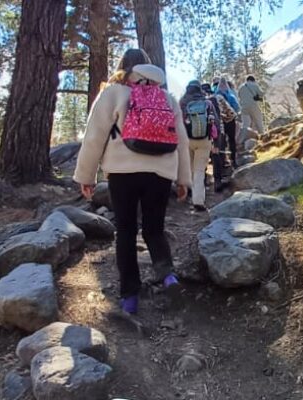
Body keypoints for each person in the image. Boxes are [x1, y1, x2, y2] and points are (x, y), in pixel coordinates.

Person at [73, 48, 192, 315]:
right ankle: (168, 275)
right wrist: (183, 179)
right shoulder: (167, 97)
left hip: (122, 173)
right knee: (154, 229)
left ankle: (130, 295)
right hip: (160, 173)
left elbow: (94, 136)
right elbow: (181, 142)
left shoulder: (113, 93)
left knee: (125, 231)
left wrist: (86, 175)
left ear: (123, 67)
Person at [179, 80, 218, 211]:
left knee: (190, 169)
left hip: (186, 140)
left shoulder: (182, 103)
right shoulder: (207, 103)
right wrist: (217, 142)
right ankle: (198, 200)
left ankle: (187, 194)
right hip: (204, 140)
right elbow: (216, 122)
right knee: (200, 171)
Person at [201, 82, 228, 192]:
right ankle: (217, 181)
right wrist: (217, 140)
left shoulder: (191, 102)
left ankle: (202, 182)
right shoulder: (212, 100)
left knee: (201, 159)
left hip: (198, 135)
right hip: (213, 134)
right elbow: (216, 120)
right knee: (216, 156)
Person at [215, 77, 240, 168]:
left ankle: (223, 161)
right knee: (231, 139)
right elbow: (237, 107)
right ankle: (233, 160)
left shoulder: (215, 96)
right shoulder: (230, 95)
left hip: (219, 121)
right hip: (230, 120)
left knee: (221, 141)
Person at [238, 75, 265, 140]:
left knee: (245, 124)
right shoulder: (254, 85)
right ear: (253, 80)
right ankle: (262, 136)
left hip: (243, 107)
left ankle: (244, 139)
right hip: (253, 106)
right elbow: (262, 94)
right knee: (258, 121)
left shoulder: (241, 87)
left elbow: (239, 96)